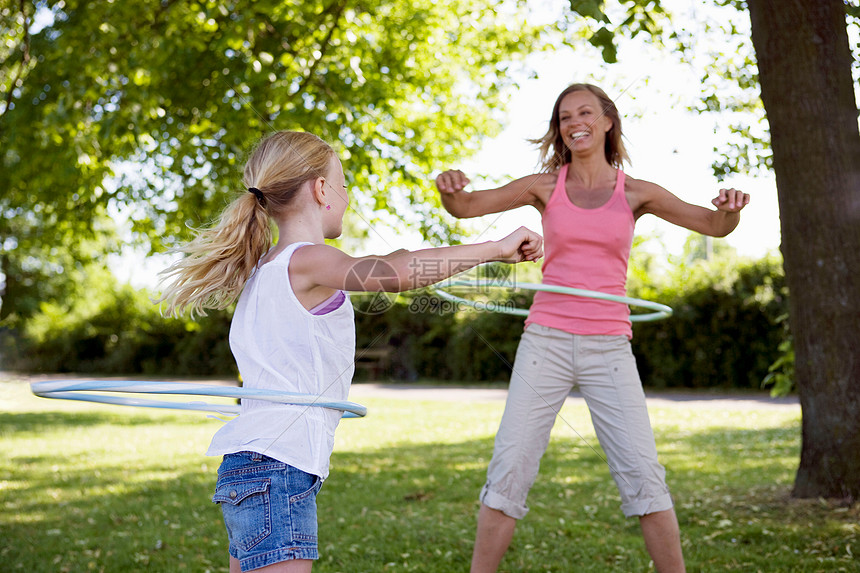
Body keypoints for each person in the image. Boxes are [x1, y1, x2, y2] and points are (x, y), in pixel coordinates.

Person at [155, 130, 543, 573]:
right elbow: (393, 273)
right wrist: (495, 248)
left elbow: (393, 259)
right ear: (321, 190)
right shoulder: (308, 260)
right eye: (343, 184)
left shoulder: (267, 267)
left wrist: (405, 256)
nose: (346, 196)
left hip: (254, 463)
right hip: (278, 466)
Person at [435, 83, 750, 573]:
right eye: (564, 116)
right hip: (546, 341)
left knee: (644, 475)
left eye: (584, 112)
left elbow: (712, 225)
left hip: (609, 346)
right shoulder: (545, 185)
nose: (573, 122)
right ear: (559, 129)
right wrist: (451, 190)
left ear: (607, 121)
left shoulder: (637, 192)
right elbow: (468, 207)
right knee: (510, 470)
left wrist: (729, 209)